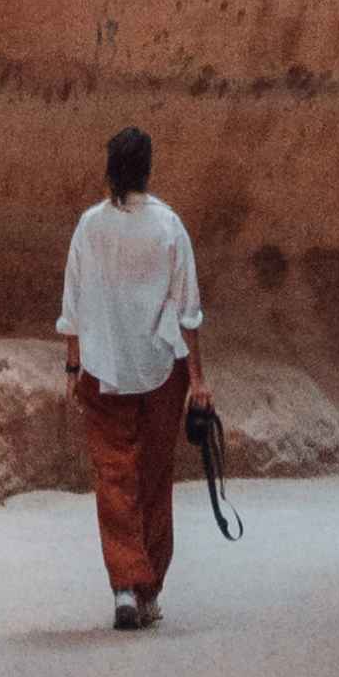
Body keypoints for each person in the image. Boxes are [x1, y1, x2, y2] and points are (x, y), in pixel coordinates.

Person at [58, 119, 207, 624]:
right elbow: (187, 310)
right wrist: (201, 381)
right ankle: (150, 593)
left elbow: (72, 300)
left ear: (109, 169)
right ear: (147, 169)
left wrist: (72, 362)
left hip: (102, 368)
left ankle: (125, 585)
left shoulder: (89, 225)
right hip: (161, 368)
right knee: (155, 477)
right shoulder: (169, 225)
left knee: (114, 474)